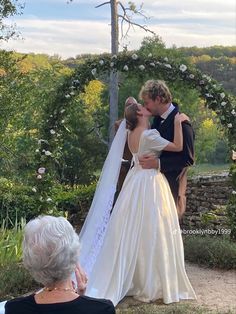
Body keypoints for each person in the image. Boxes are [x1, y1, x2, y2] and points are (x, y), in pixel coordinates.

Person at [80, 102, 197, 306]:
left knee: (131, 228)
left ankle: (133, 275)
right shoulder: (149, 135)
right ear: (141, 113)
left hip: (134, 181)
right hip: (150, 182)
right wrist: (178, 123)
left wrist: (131, 107)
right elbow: (178, 147)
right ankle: (150, 280)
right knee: (154, 228)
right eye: (142, 106)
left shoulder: (130, 133)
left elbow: (131, 112)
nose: (146, 107)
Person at [4, 216, 115, 314]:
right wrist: (81, 298)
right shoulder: (103, 309)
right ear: (74, 255)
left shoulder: (14, 308)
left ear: (30, 261)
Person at [139, 80, 195, 219]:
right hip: (155, 185)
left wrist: (157, 163)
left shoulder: (182, 123)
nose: (146, 106)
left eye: (147, 102)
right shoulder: (156, 120)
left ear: (158, 99)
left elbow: (187, 159)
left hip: (172, 187)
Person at [114, 96, 137, 196]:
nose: (130, 107)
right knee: (122, 194)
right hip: (124, 166)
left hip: (138, 165)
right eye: (128, 105)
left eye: (133, 105)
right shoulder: (119, 124)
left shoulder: (144, 124)